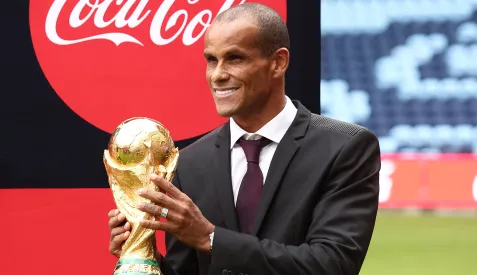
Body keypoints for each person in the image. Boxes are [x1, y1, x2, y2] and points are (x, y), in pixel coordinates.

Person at [107, 3, 381, 275]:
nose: (218, 74)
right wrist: (144, 255)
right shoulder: (190, 163)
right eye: (211, 60)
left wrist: (211, 239)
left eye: (235, 58)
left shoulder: (346, 147)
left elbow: (333, 264)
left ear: (278, 62)